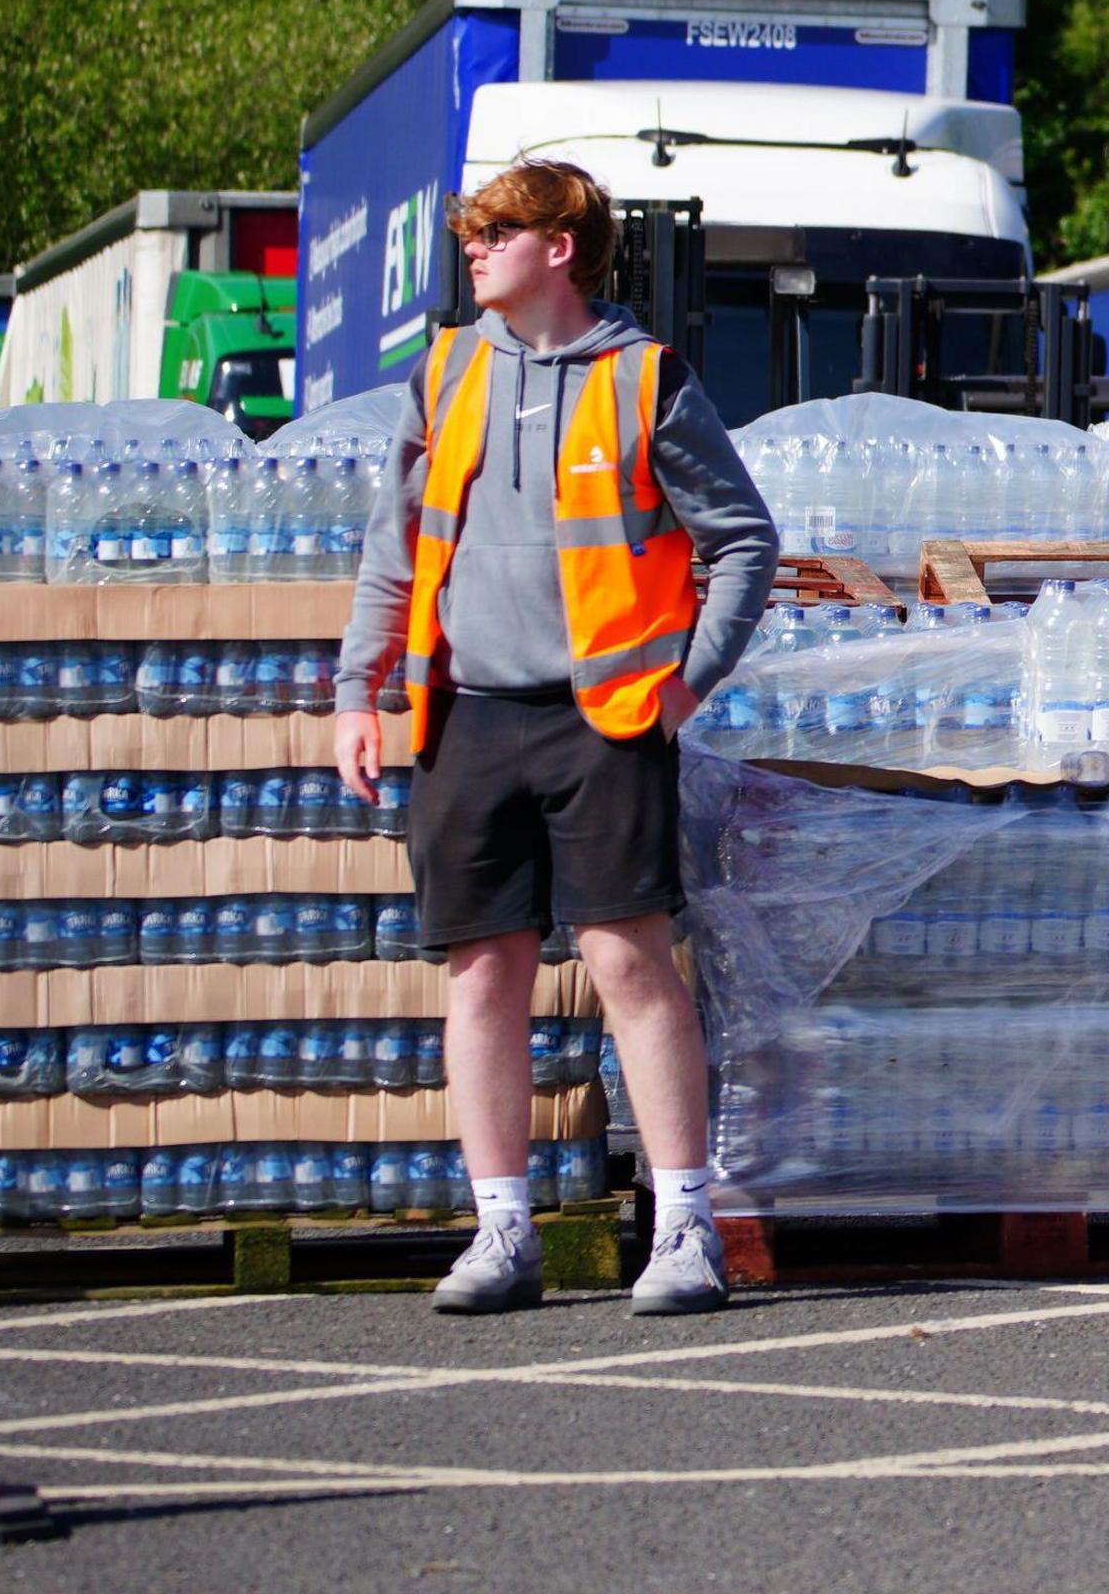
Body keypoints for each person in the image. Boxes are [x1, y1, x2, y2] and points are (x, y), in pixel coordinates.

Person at [331, 160, 779, 1315]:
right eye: (470, 234)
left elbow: (743, 541)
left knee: (630, 964)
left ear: (562, 247)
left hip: (602, 719)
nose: (473, 250)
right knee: (484, 972)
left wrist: (687, 685)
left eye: (495, 231)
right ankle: (501, 1234)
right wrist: (354, 693)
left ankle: (685, 1229)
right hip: (466, 716)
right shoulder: (445, 372)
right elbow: (396, 548)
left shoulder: (644, 381)